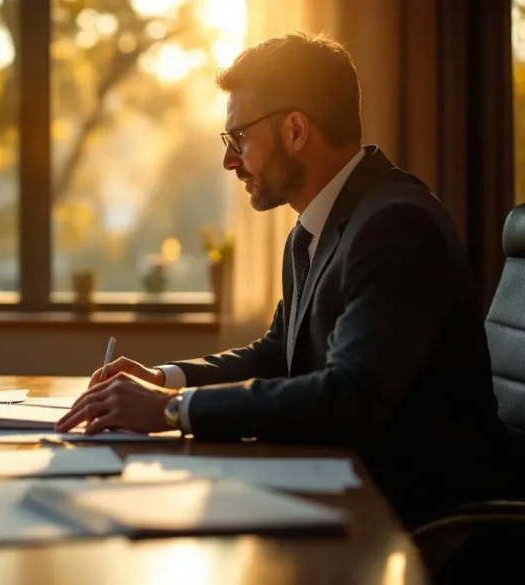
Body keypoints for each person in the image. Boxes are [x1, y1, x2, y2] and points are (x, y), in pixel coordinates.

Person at [55, 33, 509, 526]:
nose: (230, 161)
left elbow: (351, 396)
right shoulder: (320, 225)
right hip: (346, 486)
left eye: (239, 139)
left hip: (412, 516)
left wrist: (171, 409)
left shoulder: (396, 225)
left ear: (296, 130)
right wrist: (164, 379)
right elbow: (278, 355)